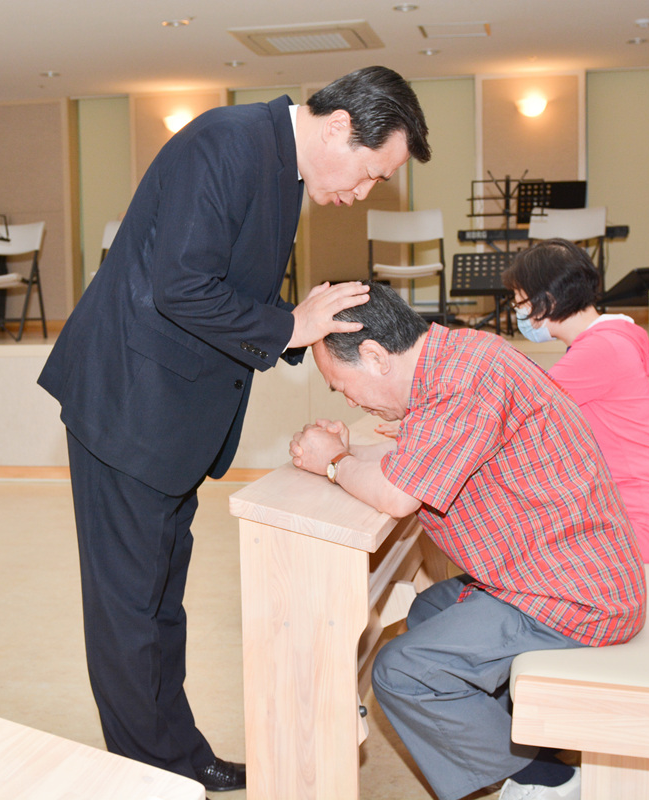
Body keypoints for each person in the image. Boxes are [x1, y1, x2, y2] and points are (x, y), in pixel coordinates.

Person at [37, 68, 431, 792]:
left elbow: (228, 289)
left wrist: (303, 325)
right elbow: (181, 287)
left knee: (160, 602)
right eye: (372, 174)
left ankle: (177, 754)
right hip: (129, 405)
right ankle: (150, 774)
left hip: (169, 416)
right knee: (129, 610)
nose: (363, 192)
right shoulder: (227, 143)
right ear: (340, 127)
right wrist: (289, 325)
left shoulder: (277, 164)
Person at [289, 283, 645, 800]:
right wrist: (343, 454)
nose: (349, 399)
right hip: (556, 570)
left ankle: (547, 781)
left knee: (403, 670)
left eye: (342, 386)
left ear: (375, 356)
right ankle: (526, 740)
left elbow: (397, 495)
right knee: (430, 609)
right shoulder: (453, 361)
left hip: (574, 596)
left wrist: (334, 462)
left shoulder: (458, 384)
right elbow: (409, 467)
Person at [502, 238, 649, 563]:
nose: (519, 313)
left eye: (520, 303)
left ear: (546, 301)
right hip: (632, 510)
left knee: (508, 544)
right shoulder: (610, 339)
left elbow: (518, 411)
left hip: (643, 523)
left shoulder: (600, 350)